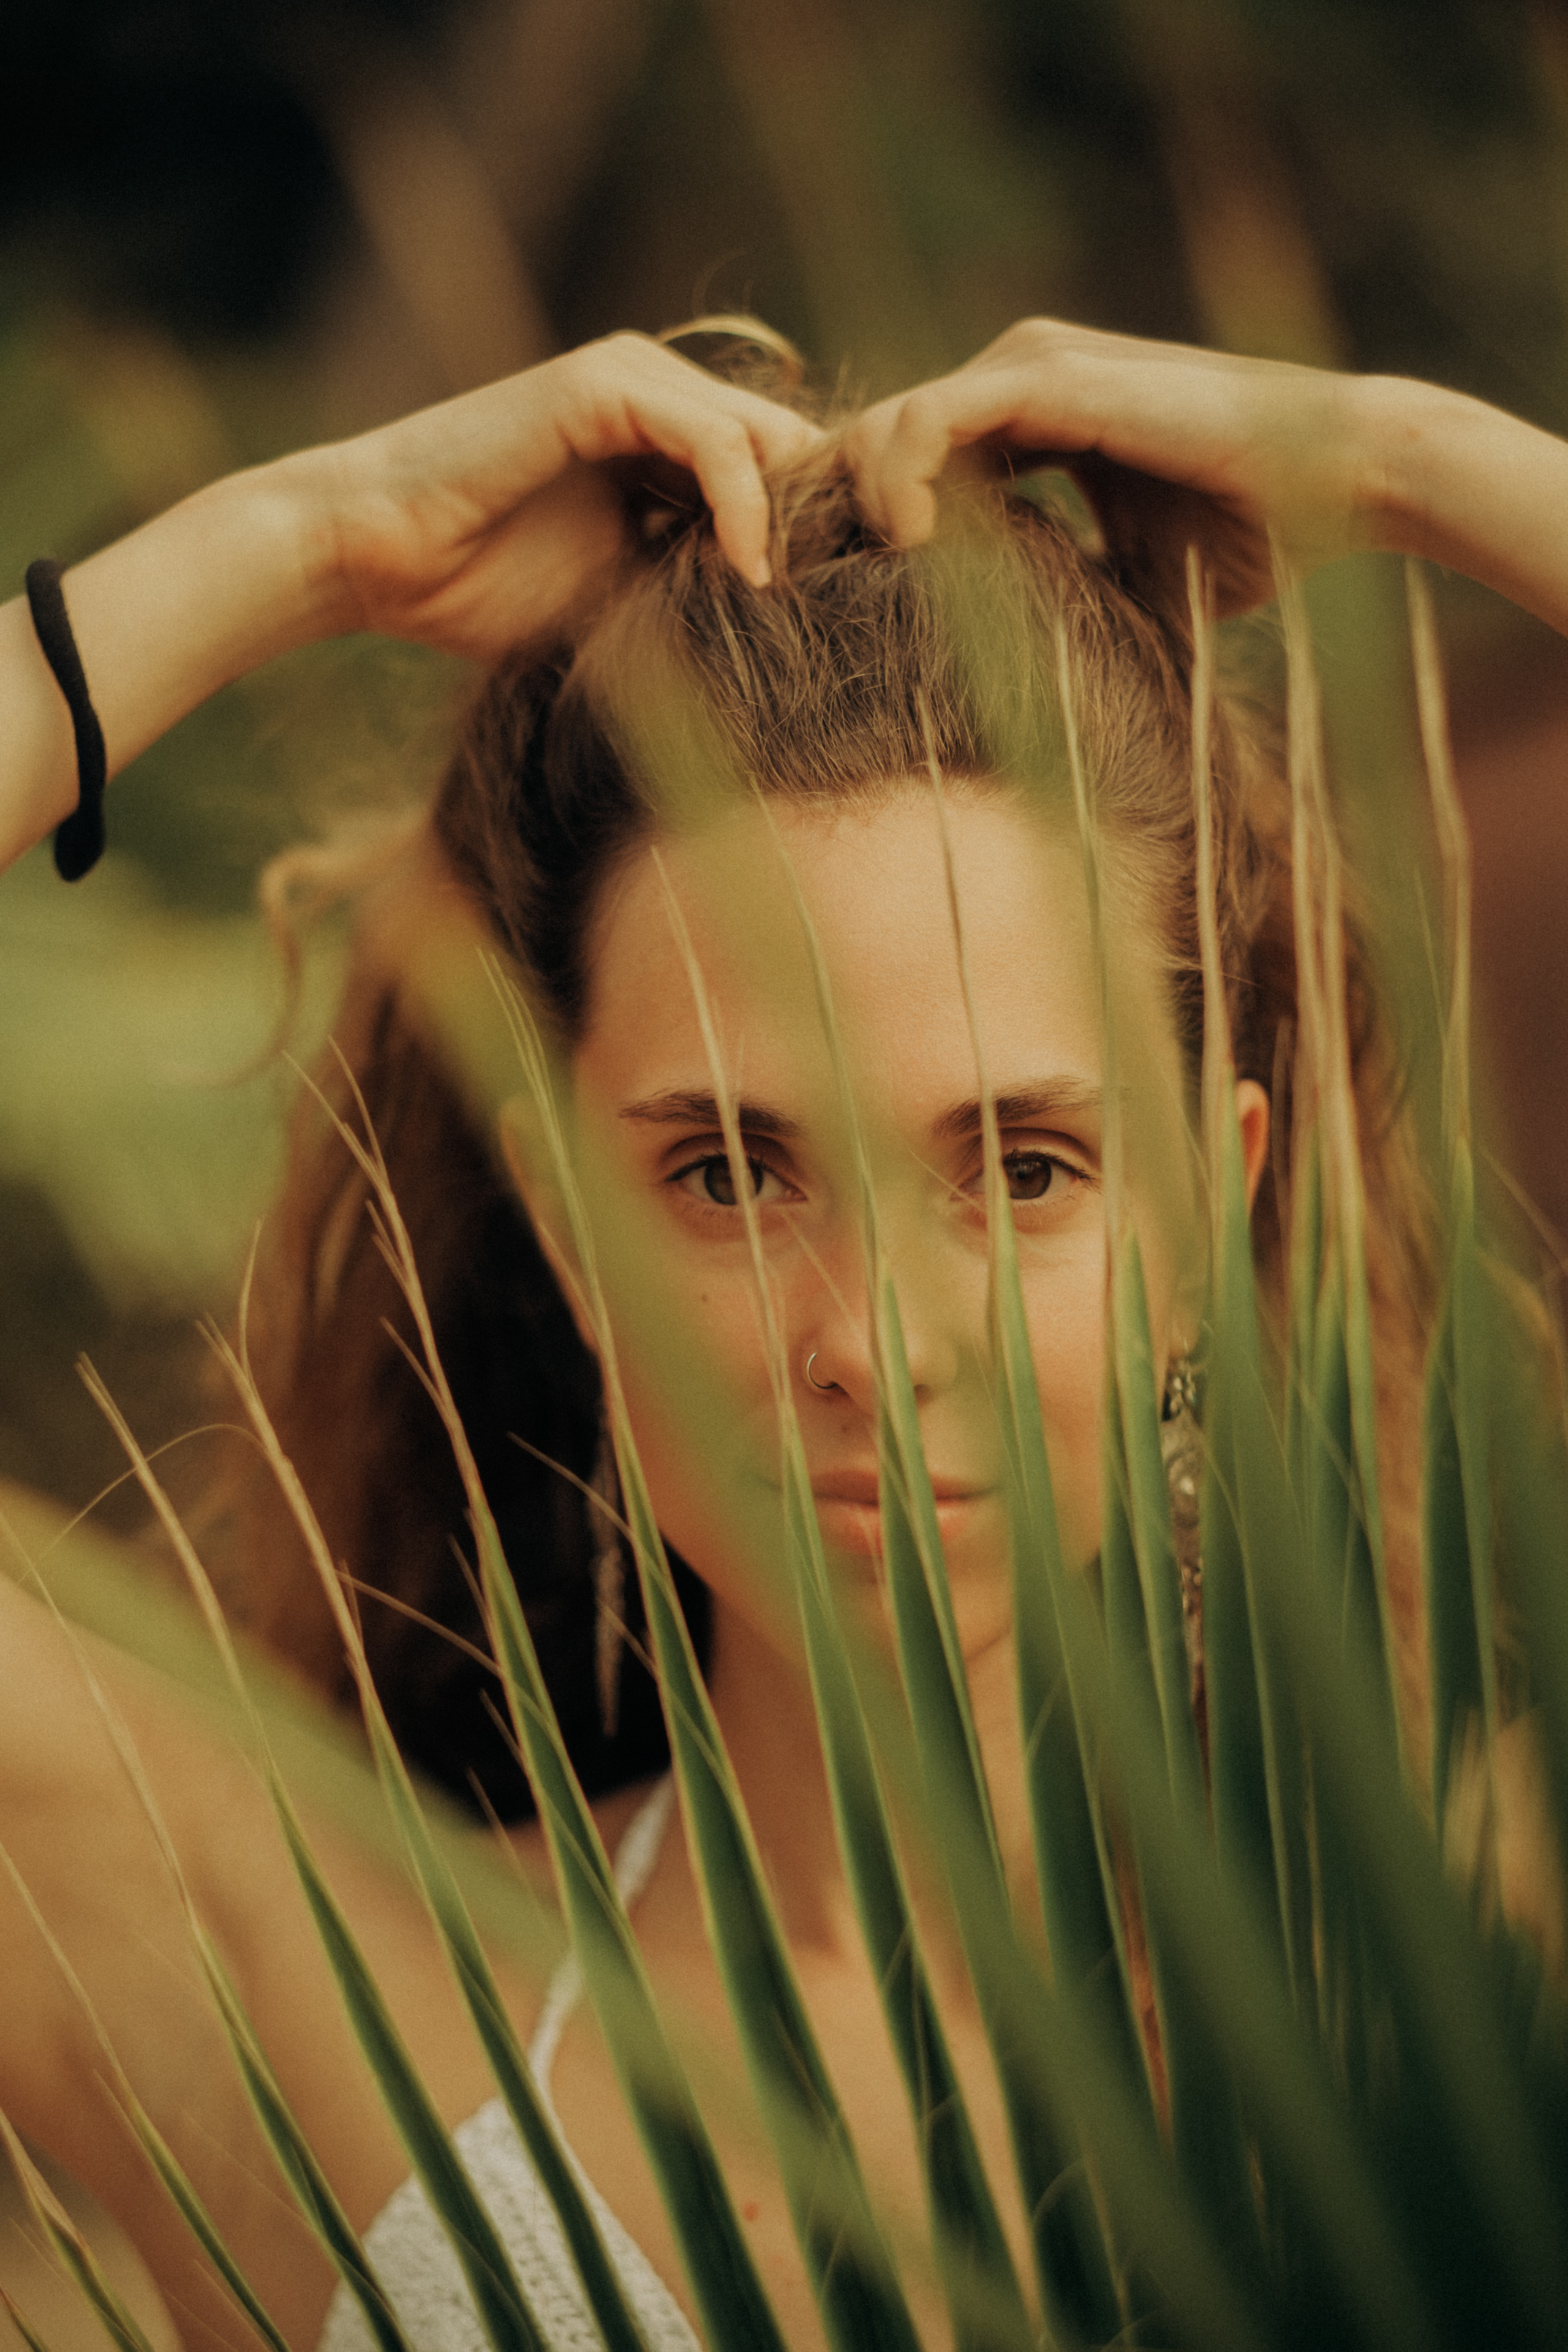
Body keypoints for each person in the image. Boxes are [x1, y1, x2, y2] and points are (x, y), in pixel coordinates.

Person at [2, 316, 1567, 2352]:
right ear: (566, 1230)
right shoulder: (309, 1999)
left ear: (1215, 1201)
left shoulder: (1482, 1990)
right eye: (733, 1174)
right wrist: (306, 539)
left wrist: (1406, 461)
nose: (875, 1341)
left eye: (1021, 1167)